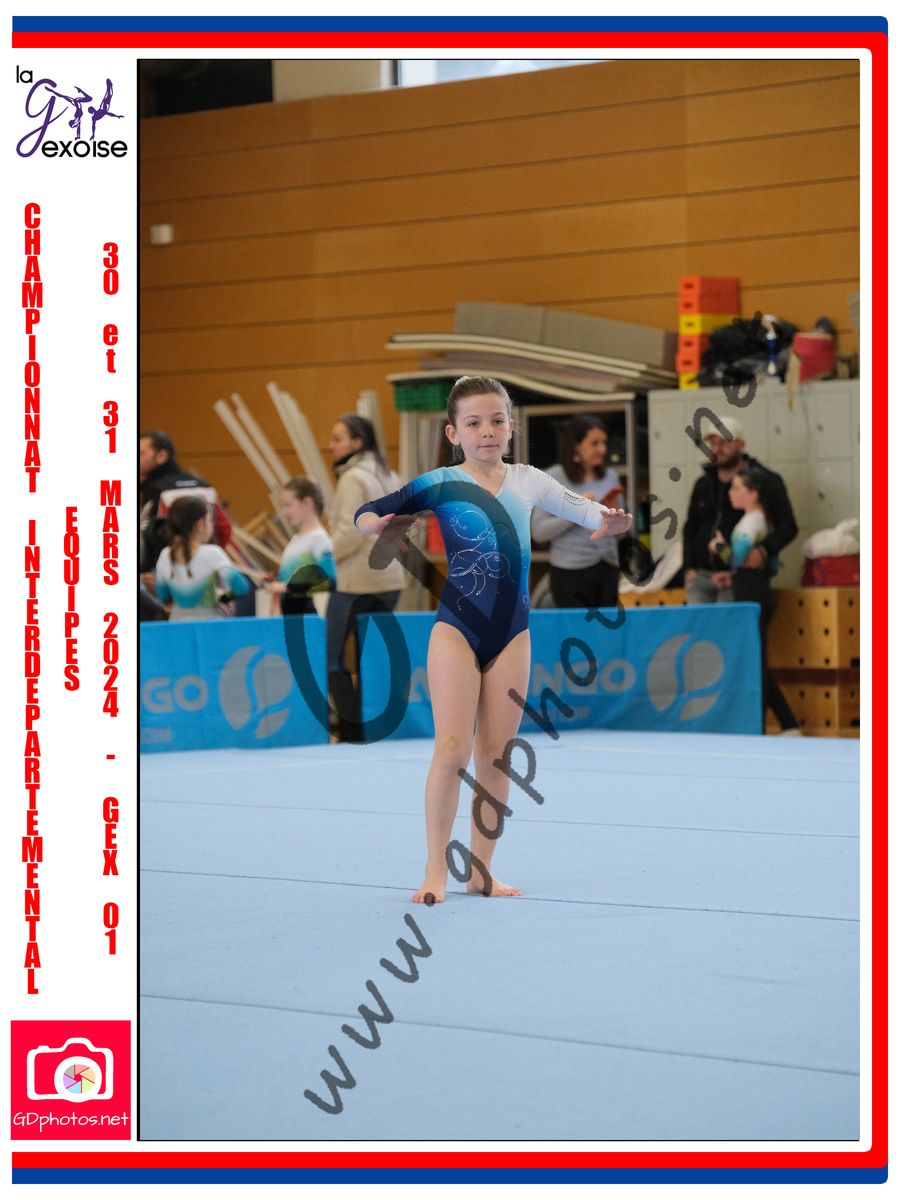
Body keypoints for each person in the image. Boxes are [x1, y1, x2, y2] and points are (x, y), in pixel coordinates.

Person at [354, 377, 632, 904]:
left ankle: (481, 869)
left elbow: (583, 508)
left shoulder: (529, 480)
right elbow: (366, 511)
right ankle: (435, 868)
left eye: (497, 421)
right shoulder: (440, 482)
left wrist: (609, 521)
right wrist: (377, 524)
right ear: (453, 433)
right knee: (452, 750)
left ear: (511, 427)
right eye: (474, 423)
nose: (487, 431)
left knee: (496, 756)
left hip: (511, 634)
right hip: (456, 630)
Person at [326, 413, 405, 743]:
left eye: (337, 439)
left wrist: (324, 560)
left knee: (330, 656)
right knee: (370, 659)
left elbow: (349, 532)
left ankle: (350, 731)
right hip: (390, 579)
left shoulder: (353, 478)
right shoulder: (390, 473)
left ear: (357, 443)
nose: (331, 445)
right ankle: (372, 729)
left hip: (357, 581)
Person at [713, 464, 800, 734]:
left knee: (755, 664)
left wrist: (718, 546)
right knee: (754, 661)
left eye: (736, 488)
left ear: (753, 493)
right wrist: (732, 576)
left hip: (752, 596)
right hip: (752, 590)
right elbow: (757, 565)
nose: (731, 493)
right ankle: (786, 724)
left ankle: (771, 726)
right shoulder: (756, 520)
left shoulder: (752, 522)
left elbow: (737, 558)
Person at [682, 414, 797, 604]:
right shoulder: (703, 484)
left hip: (740, 578)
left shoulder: (765, 482)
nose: (717, 449)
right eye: (713, 443)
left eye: (724, 442)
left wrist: (763, 551)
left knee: (730, 622)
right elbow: (690, 528)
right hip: (701, 578)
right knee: (698, 624)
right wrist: (688, 568)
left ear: (740, 445)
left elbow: (788, 526)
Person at [530, 414, 625, 609]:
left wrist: (615, 520)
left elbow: (621, 533)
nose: (602, 449)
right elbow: (539, 532)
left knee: (607, 626)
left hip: (608, 567)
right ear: (576, 445)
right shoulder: (552, 478)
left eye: (604, 443)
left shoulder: (610, 476)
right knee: (577, 627)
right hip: (570, 572)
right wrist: (576, 509)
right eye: (594, 443)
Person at [140, 430, 231, 572]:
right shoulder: (203, 485)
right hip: (207, 567)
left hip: (169, 568)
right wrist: (212, 555)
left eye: (141, 453)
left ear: (161, 456)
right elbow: (224, 528)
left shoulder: (155, 489)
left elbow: (150, 534)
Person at [155, 496, 249, 621]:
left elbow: (162, 595)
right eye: (210, 521)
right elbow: (241, 588)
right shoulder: (213, 553)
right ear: (200, 524)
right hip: (210, 625)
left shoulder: (165, 555)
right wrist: (223, 598)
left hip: (178, 625)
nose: (213, 526)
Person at [267, 478, 336, 616]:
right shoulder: (295, 540)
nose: (284, 512)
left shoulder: (319, 539)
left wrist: (287, 587)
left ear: (306, 503)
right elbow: (291, 578)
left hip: (307, 618)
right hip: (290, 615)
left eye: (288, 505)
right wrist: (274, 578)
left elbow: (331, 582)